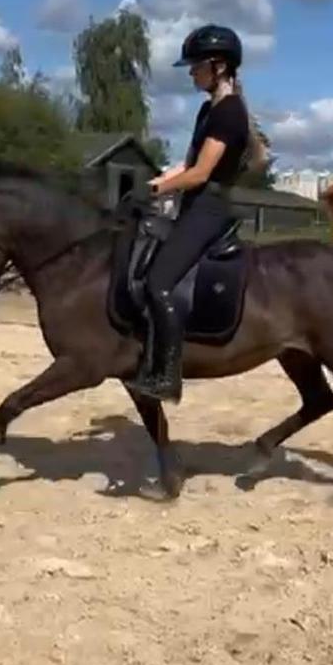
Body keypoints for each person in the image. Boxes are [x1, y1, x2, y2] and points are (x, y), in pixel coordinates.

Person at [125, 24, 267, 403]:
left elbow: (202, 174)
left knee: (159, 283)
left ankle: (167, 377)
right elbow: (186, 164)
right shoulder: (209, 110)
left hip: (209, 207)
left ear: (218, 67)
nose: (191, 72)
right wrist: (155, 180)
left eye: (196, 66)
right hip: (194, 203)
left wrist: (159, 189)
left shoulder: (230, 113)